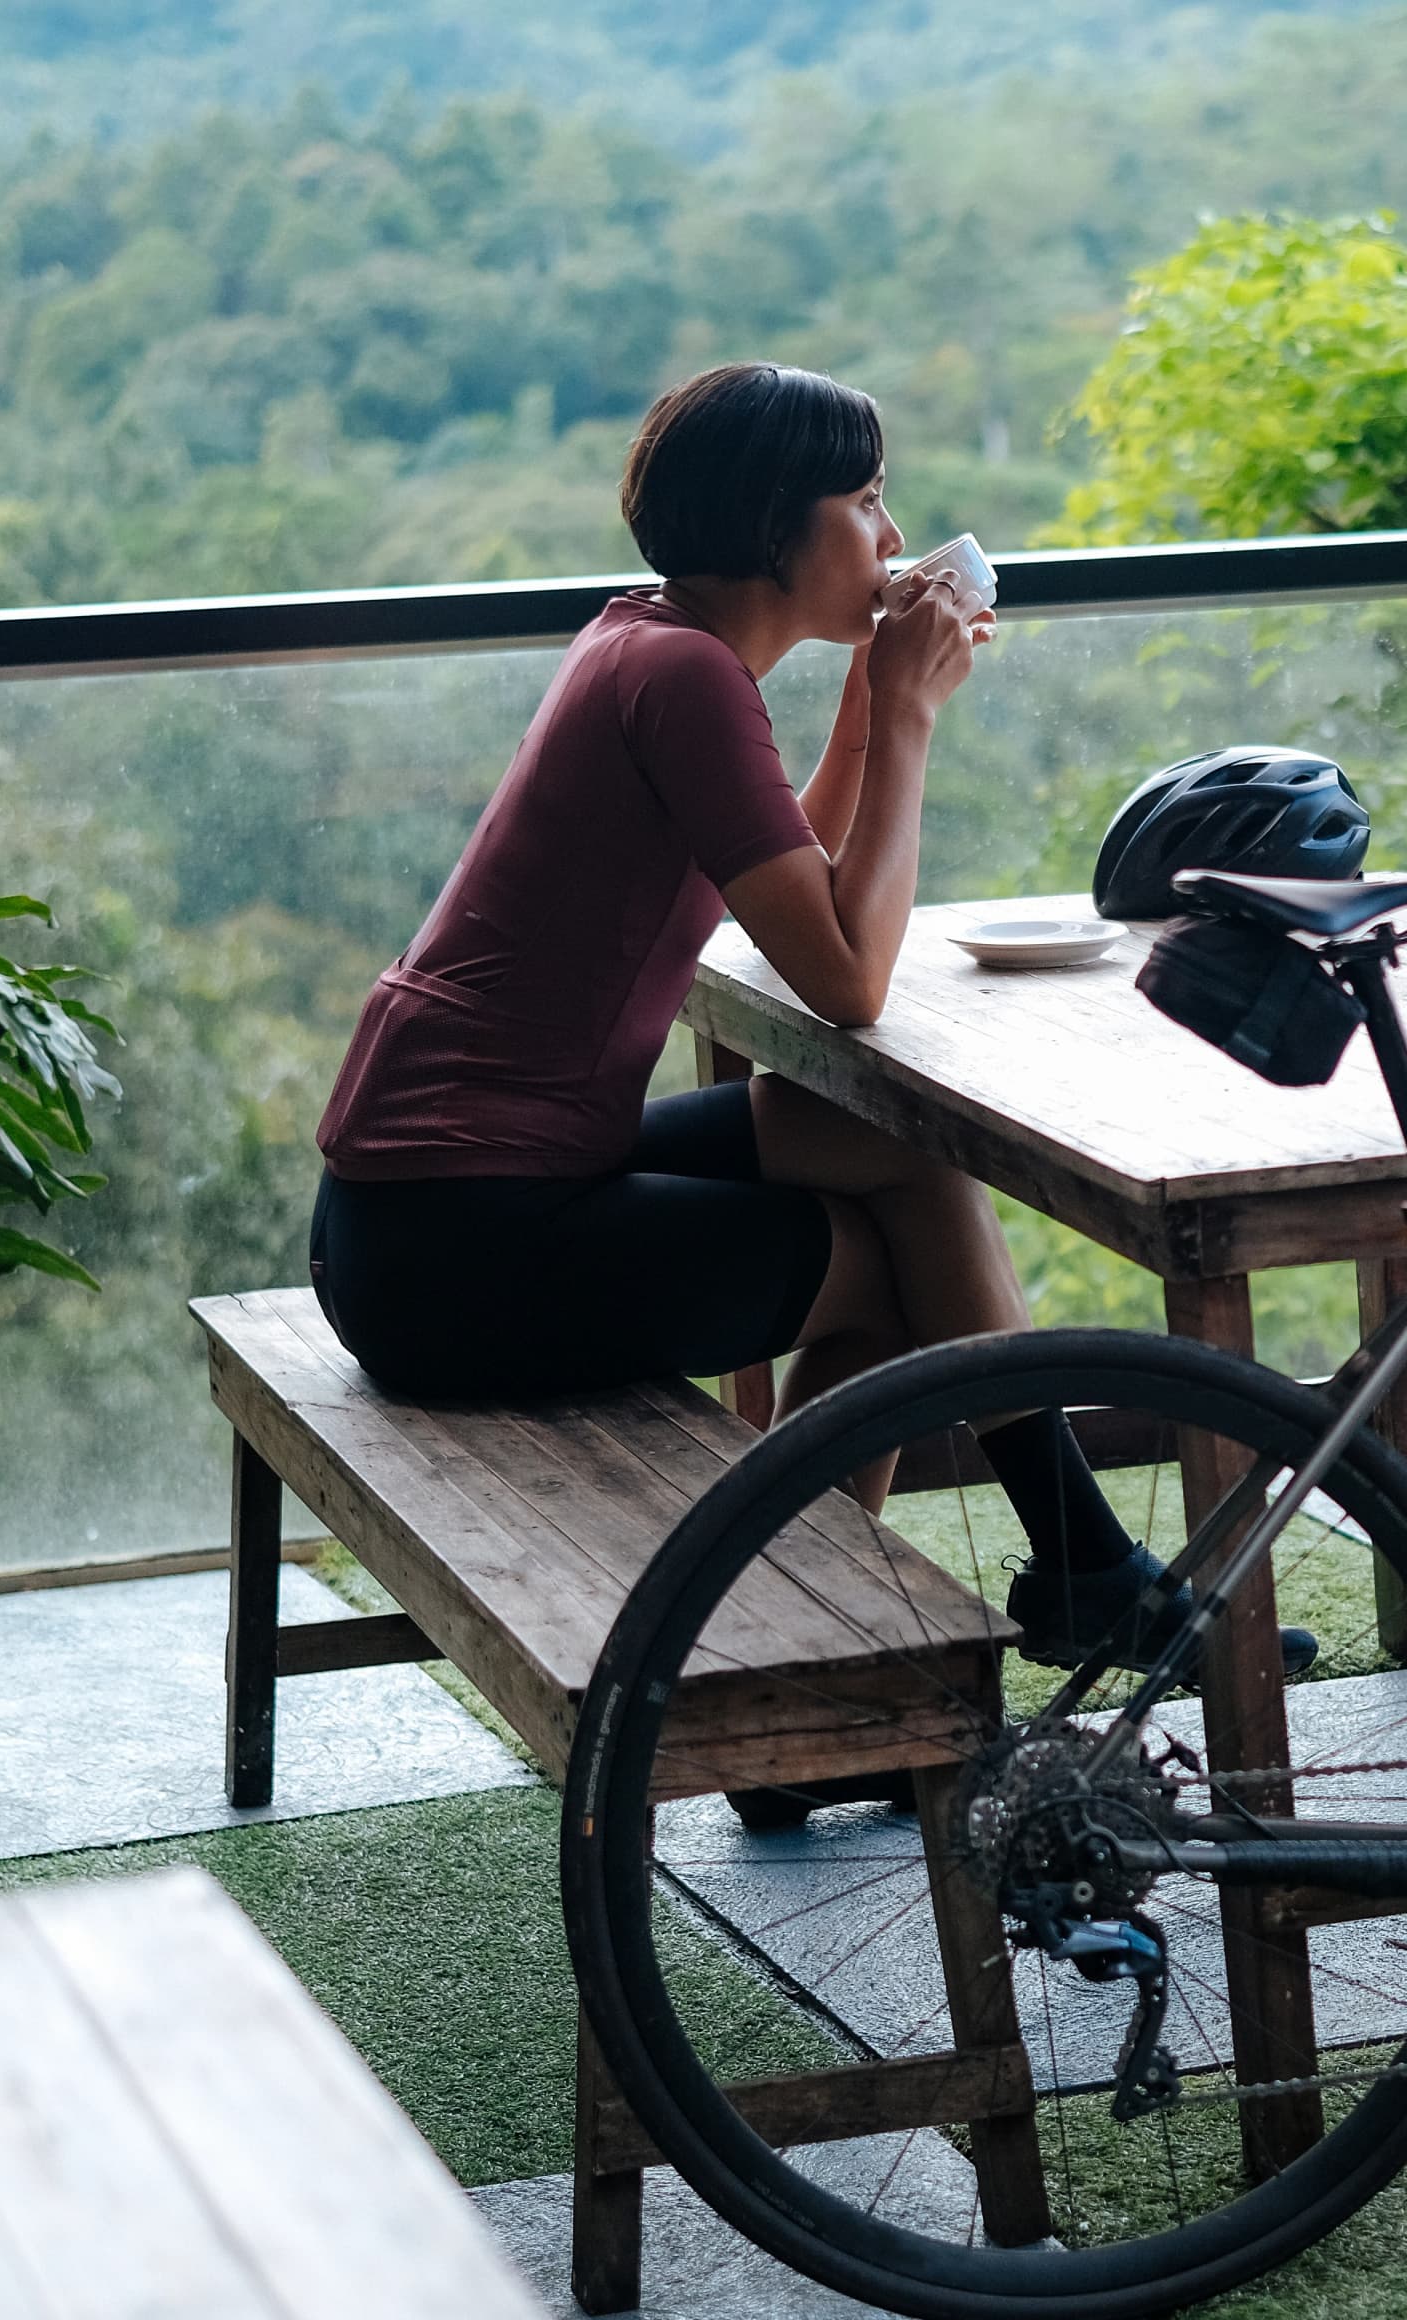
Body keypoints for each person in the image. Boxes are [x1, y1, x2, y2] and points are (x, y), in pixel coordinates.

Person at [308, 360, 1257, 1672]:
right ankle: (833, 1644)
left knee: (900, 1158)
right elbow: (850, 979)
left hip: (440, 1204)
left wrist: (872, 698)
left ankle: (1067, 1570)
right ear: (774, 525)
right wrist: (913, 723)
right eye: (864, 500)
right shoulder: (683, 677)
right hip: (459, 1251)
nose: (888, 533)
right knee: (889, 1293)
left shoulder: (648, 644)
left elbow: (781, 877)